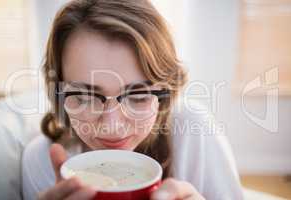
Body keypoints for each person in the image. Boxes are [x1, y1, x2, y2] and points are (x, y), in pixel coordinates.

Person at [22, 0, 244, 199]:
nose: (112, 126)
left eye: (137, 96)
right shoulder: (41, 162)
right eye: (84, 97)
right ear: (59, 93)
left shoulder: (193, 133)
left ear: (164, 93)